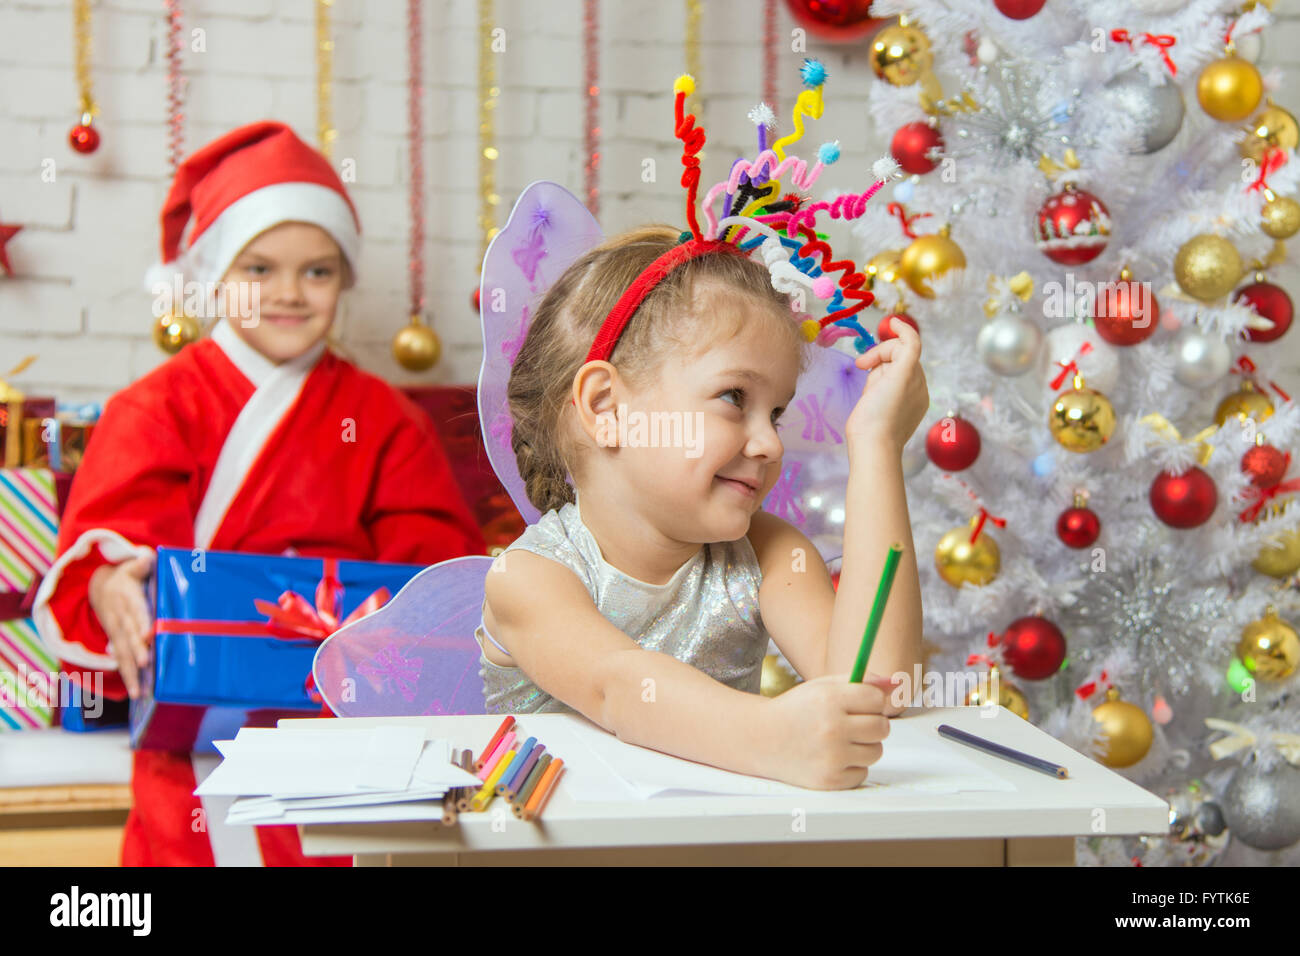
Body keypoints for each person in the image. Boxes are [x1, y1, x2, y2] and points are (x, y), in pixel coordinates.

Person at [33, 121, 486, 866]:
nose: (287, 293)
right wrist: (114, 583)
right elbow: (107, 553)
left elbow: (433, 576)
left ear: (344, 280)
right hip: (191, 741)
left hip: (345, 738)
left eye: (317, 271)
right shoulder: (153, 409)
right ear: (213, 276)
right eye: (258, 269)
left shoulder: (385, 421)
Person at [475, 222, 929, 792]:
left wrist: (878, 446)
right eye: (735, 398)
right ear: (606, 406)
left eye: (778, 412)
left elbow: (884, 687)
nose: (770, 443)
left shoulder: (769, 554)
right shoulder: (529, 578)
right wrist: (773, 737)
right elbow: (620, 687)